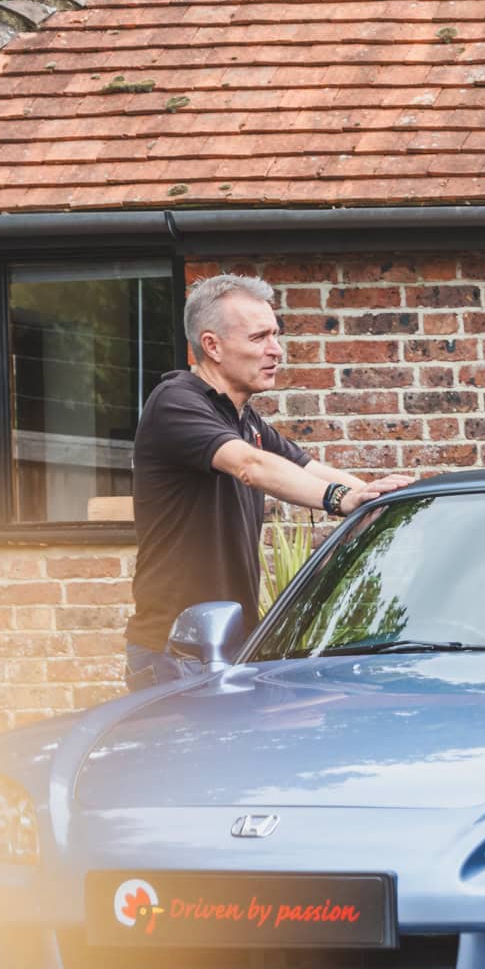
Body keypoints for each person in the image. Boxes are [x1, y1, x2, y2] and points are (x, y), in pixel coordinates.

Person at [123, 274, 414, 690]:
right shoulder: (176, 402)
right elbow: (250, 466)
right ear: (212, 345)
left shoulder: (244, 419)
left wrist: (378, 497)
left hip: (225, 646)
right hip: (176, 652)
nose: (275, 350)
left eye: (275, 335)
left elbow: (307, 468)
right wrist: (341, 499)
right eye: (259, 337)